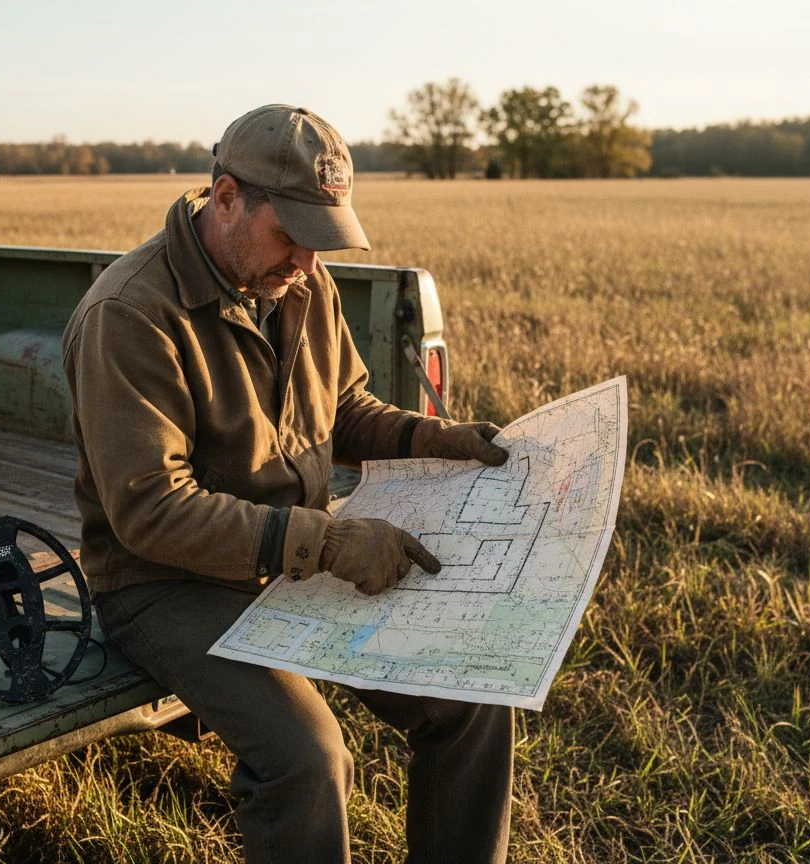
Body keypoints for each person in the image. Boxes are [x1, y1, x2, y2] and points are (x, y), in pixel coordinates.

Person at [61, 104, 513, 864]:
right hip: (163, 582)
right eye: (292, 235)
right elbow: (150, 511)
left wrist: (434, 438)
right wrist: (328, 542)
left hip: (294, 557)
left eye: (321, 240)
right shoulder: (129, 313)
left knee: (469, 697)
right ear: (227, 197)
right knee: (308, 761)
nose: (307, 262)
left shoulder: (302, 284)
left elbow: (342, 407)